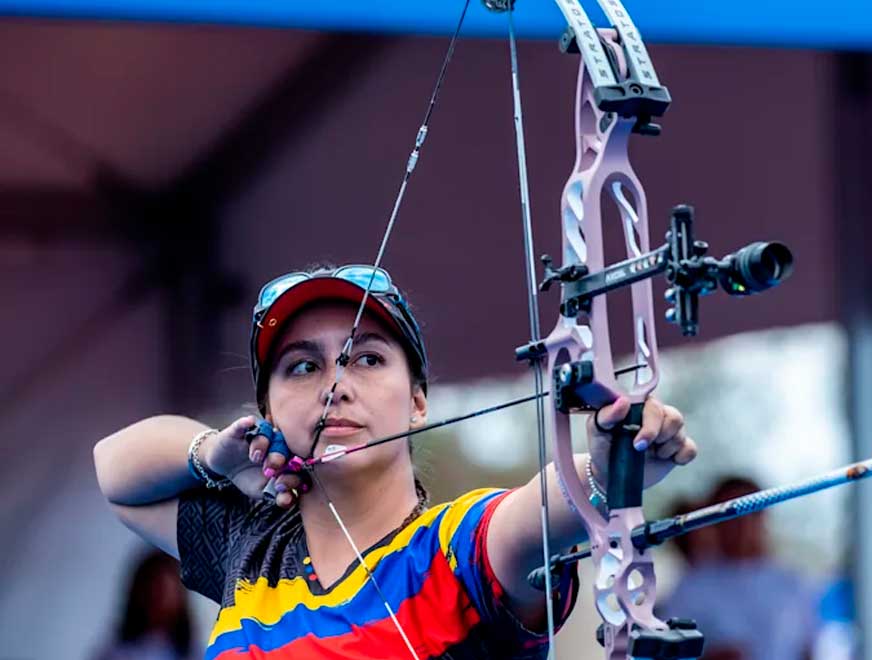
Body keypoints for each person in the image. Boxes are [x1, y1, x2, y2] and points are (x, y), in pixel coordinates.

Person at [93, 264, 698, 659]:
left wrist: (610, 466)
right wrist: (216, 454)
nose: (334, 386)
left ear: (417, 402)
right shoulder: (249, 549)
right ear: (269, 409)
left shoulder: (452, 552)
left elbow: (538, 512)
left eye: (366, 359)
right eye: (303, 367)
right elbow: (115, 473)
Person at [658, 477, 819, 660]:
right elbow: (667, 652)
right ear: (714, 521)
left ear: (764, 516)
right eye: (732, 515)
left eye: (751, 512)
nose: (742, 524)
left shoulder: (793, 583)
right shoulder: (691, 586)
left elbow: (811, 649)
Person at [92, 549, 195, 660]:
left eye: (163, 592)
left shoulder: (195, 654)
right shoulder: (115, 653)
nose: (157, 601)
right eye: (150, 592)